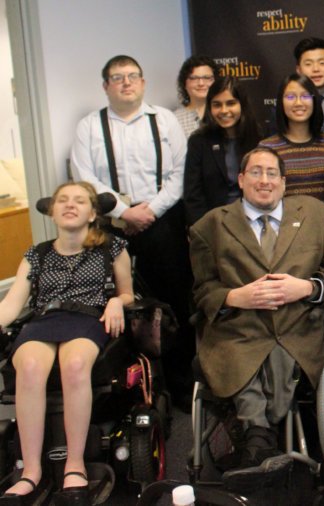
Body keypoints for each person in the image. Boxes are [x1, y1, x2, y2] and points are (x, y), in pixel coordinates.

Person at [189, 146, 324, 472]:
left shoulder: (317, 215)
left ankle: (256, 440)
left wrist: (307, 287)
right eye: (256, 172)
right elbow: (202, 291)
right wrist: (234, 297)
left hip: (297, 324)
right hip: (238, 329)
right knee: (248, 348)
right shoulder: (209, 226)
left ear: (284, 183)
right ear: (241, 180)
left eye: (272, 173)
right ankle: (260, 440)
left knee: (278, 340)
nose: (264, 180)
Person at [70, 54, 195, 409]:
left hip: (162, 218)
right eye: (117, 77)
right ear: (106, 86)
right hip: (111, 223)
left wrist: (149, 211)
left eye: (132, 76)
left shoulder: (164, 120)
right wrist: (125, 212)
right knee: (115, 304)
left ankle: (181, 384)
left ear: (142, 83)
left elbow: (179, 174)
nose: (126, 82)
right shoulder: (89, 127)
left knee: (172, 302)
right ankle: (130, 389)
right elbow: (86, 177)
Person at [0, 182, 133, 500]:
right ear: (52, 211)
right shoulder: (37, 253)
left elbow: (127, 292)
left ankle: (75, 464)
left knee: (74, 365)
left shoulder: (111, 248)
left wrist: (116, 301)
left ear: (92, 213)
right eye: (63, 200)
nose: (70, 205)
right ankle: (31, 471)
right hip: (44, 320)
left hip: (88, 318)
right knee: (29, 367)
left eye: (79, 201)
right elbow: (11, 305)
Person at [184, 76, 263, 226]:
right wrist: (202, 231)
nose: (224, 110)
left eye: (231, 103)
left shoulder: (259, 139)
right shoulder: (199, 141)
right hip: (213, 225)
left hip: (254, 223)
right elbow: (193, 195)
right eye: (217, 105)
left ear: (242, 105)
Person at [259, 74, 324, 206]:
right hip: (283, 225)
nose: (298, 103)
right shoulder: (267, 148)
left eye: (305, 96)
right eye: (290, 97)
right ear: (280, 102)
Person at [174, 55, 218, 138]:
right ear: (184, 83)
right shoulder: (174, 119)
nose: (201, 83)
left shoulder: (224, 113)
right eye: (194, 78)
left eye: (207, 77)